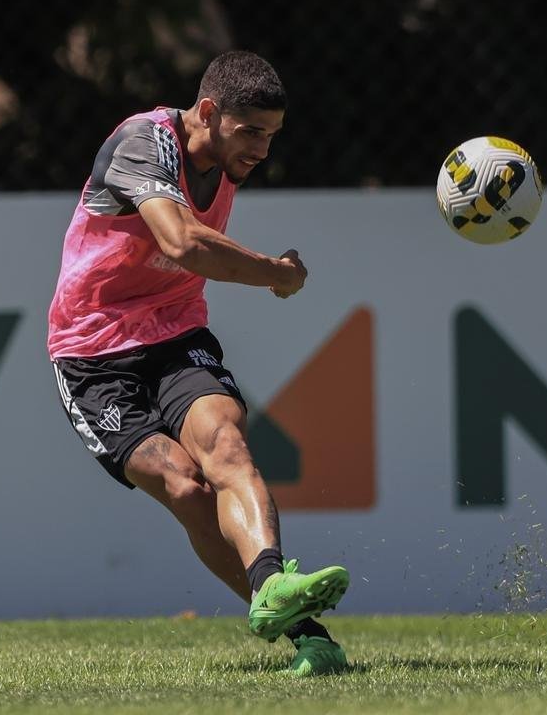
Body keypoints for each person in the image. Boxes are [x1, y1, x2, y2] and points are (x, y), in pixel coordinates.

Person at [47, 50, 349, 676]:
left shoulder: (226, 156)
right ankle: (305, 629)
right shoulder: (142, 141)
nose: (263, 150)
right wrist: (276, 274)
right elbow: (182, 242)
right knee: (187, 486)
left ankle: (273, 587)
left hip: (176, 334)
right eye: (252, 133)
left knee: (228, 445)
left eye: (272, 135)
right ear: (208, 112)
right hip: (93, 353)